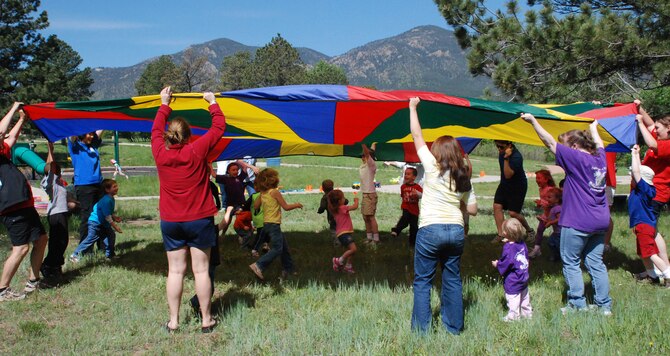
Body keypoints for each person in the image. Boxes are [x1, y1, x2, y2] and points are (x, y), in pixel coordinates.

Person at [522, 113, 612, 315]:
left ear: (573, 147)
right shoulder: (600, 160)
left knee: (571, 262)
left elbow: (549, 142)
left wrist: (533, 122)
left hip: (578, 221)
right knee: (595, 263)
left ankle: (577, 304)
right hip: (600, 221)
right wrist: (595, 127)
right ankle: (604, 306)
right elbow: (599, 144)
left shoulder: (576, 158)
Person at [152, 86, 222, 333]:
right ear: (189, 135)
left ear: (168, 136)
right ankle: (206, 320)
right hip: (199, 219)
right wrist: (211, 102)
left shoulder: (159, 152)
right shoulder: (196, 149)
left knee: (175, 271)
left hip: (171, 220)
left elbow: (155, 130)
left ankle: (173, 322)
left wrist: (164, 103)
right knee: (201, 271)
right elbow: (218, 128)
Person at [408, 97, 477, 335]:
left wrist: (412, 107)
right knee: (452, 279)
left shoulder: (431, 166)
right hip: (456, 231)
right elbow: (473, 210)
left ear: (437, 152)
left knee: (423, 282)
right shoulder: (463, 177)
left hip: (430, 229)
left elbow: (417, 136)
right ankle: (454, 328)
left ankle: (421, 332)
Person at [0, 103, 49, 301]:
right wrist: (13, 108)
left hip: (23, 204)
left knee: (41, 239)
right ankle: (2, 290)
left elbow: (10, 137)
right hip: (10, 206)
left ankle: (33, 281)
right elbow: (2, 132)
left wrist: (22, 119)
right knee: (20, 248)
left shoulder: (3, 153)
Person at [633, 104, 670, 283]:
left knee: (647, 232)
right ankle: (657, 270)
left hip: (655, 194)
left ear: (669, 128)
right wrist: (639, 108)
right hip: (649, 193)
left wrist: (639, 122)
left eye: (658, 128)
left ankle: (663, 270)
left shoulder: (667, 145)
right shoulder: (662, 138)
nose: (654, 129)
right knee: (651, 231)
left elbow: (651, 143)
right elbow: (649, 124)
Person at [249, 168, 303, 281]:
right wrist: (297, 205)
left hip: (266, 225)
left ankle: (289, 269)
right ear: (273, 180)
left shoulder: (262, 194)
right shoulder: (275, 192)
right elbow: (286, 207)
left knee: (284, 248)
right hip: (274, 225)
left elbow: (256, 206)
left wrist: (262, 197)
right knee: (277, 248)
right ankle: (259, 265)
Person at [628, 144, 670, 287]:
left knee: (651, 253)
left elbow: (637, 172)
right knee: (643, 253)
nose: (631, 178)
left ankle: (667, 273)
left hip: (644, 226)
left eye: (632, 177)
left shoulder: (643, 188)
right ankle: (652, 276)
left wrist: (633, 155)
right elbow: (638, 171)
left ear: (640, 180)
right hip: (643, 225)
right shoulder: (646, 188)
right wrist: (639, 156)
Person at [40, 142, 79, 278]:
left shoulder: (58, 183)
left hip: (60, 214)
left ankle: (55, 266)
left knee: (61, 241)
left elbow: (50, 166)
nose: (58, 170)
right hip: (56, 215)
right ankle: (48, 265)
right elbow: (51, 166)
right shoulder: (49, 182)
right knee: (59, 241)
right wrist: (51, 149)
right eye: (56, 169)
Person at [69, 179, 122, 262]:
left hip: (102, 223)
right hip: (95, 223)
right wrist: (115, 227)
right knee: (90, 239)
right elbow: (107, 216)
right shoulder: (106, 200)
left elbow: (108, 212)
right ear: (107, 190)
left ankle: (110, 255)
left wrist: (115, 217)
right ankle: (75, 255)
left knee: (110, 236)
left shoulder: (110, 199)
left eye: (116, 186)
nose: (117, 188)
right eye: (114, 187)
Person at [492, 140, 534, 243]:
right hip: (505, 185)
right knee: (497, 206)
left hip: (518, 186)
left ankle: (529, 231)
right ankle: (501, 234)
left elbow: (508, 174)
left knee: (513, 213)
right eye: (497, 146)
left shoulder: (516, 157)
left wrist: (506, 158)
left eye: (501, 147)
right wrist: (503, 153)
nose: (499, 149)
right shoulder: (502, 152)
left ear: (509, 145)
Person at [491, 218, 532, 321]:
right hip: (523, 276)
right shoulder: (522, 243)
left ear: (506, 233)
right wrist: (509, 240)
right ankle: (527, 315)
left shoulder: (508, 248)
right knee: (524, 297)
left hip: (513, 279)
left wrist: (498, 264)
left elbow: (507, 262)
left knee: (513, 298)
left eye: (504, 230)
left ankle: (513, 318)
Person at [68, 128, 104, 244]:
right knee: (87, 216)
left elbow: (101, 128)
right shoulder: (75, 146)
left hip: (98, 184)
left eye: (93, 134)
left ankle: (102, 245)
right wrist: (81, 123)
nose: (92, 136)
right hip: (84, 186)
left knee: (100, 214)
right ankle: (85, 247)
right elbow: (71, 133)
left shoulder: (93, 145)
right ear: (82, 134)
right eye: (89, 134)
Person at [328, 189, 359, 274]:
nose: (344, 199)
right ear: (339, 201)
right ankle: (338, 260)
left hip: (341, 234)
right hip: (344, 233)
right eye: (343, 198)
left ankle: (348, 266)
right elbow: (355, 207)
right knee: (353, 249)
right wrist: (356, 201)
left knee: (350, 251)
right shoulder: (343, 208)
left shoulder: (335, 210)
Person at [390, 167, 423, 246]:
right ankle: (396, 230)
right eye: (405, 174)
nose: (406, 176)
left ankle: (412, 243)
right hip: (406, 207)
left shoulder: (417, 187)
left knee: (413, 227)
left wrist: (417, 194)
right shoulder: (403, 187)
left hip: (414, 210)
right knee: (405, 217)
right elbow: (403, 196)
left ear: (414, 177)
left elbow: (422, 195)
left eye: (408, 174)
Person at [528, 169, 557, 258]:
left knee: (557, 233)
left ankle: (557, 251)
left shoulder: (551, 189)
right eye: (536, 178)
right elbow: (545, 203)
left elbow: (553, 203)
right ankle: (537, 249)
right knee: (540, 230)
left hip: (555, 215)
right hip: (546, 215)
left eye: (539, 178)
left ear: (546, 179)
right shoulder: (541, 189)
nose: (537, 180)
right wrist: (539, 205)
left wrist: (542, 203)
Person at [360, 143, 379, 243]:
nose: (362, 157)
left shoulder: (371, 165)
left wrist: (363, 143)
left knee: (370, 217)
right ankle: (369, 237)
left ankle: (375, 239)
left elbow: (368, 153)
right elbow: (370, 151)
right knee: (365, 217)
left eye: (363, 155)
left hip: (370, 195)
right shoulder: (364, 165)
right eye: (362, 156)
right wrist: (373, 144)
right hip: (365, 194)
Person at [317, 179, 341, 246]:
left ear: (323, 188)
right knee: (341, 228)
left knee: (334, 230)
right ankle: (344, 240)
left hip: (332, 217)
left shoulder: (325, 198)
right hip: (341, 216)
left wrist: (320, 211)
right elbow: (346, 201)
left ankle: (337, 243)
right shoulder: (337, 194)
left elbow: (322, 207)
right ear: (332, 187)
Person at [543, 187, 563, 262]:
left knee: (558, 245)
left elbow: (560, 219)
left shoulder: (558, 208)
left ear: (557, 199)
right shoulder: (553, 208)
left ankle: (560, 257)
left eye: (549, 197)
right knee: (550, 242)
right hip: (556, 232)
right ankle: (555, 256)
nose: (547, 199)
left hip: (560, 232)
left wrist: (550, 223)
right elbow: (551, 218)